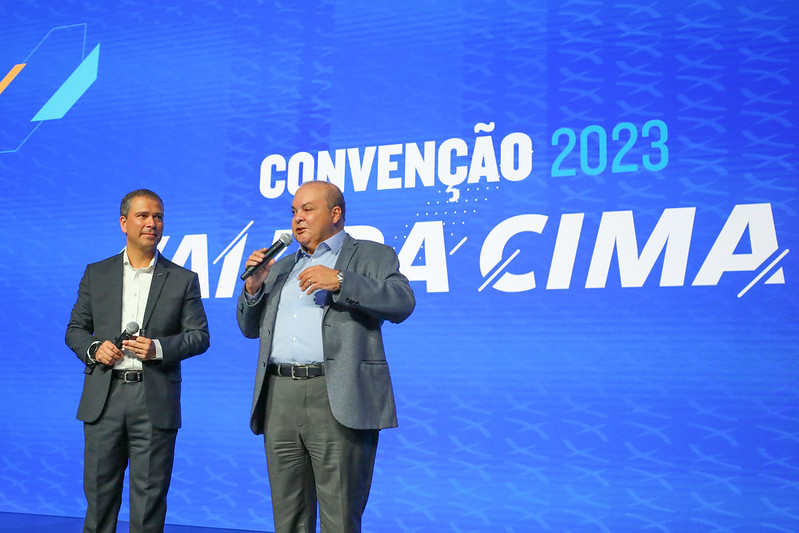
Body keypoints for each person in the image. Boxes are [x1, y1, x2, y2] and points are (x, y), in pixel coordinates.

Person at [237, 181, 415, 533]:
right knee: (288, 516)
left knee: (339, 516)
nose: (297, 219)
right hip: (280, 396)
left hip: (337, 394)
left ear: (335, 214)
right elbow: (249, 327)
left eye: (307, 209)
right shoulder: (281, 266)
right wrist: (253, 288)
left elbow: (402, 302)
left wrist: (341, 281)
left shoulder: (372, 255)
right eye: (293, 211)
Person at [65, 189, 210, 533]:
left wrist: (157, 348)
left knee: (149, 504)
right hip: (105, 399)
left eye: (158, 217)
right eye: (143, 216)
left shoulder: (182, 279)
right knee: (99, 501)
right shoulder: (96, 273)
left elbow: (200, 336)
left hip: (154, 400)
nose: (152, 223)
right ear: (124, 223)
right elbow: (75, 330)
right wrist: (95, 348)